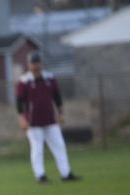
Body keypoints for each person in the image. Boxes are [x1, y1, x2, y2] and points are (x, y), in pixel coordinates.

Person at [16, 51, 81, 183]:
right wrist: (22, 119)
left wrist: (60, 113)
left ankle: (66, 173)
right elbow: (19, 102)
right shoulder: (24, 81)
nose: (35, 66)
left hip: (50, 120)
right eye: (33, 63)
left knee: (59, 145)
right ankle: (40, 175)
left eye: (37, 63)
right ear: (29, 65)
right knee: (37, 149)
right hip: (33, 122)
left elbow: (57, 97)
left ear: (41, 63)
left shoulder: (49, 78)